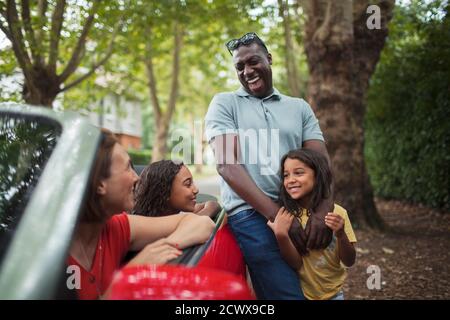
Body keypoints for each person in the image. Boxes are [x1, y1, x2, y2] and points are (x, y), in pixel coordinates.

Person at [204, 32, 334, 299]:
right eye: (240, 66)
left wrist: (322, 210)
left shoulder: (298, 107)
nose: (247, 71)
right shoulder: (224, 103)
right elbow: (227, 165)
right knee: (289, 295)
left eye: (253, 62)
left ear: (269, 59)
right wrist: (278, 216)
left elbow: (321, 163)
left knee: (321, 289)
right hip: (251, 215)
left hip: (303, 209)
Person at [67, 129, 214, 300]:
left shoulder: (116, 226)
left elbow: (203, 224)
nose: (136, 177)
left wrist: (162, 248)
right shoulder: (50, 255)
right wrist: (134, 270)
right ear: (100, 183)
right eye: (128, 167)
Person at [133, 160, 247, 279]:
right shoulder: (148, 229)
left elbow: (213, 205)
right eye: (188, 184)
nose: (196, 189)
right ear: (164, 191)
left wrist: (198, 215)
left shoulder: (171, 215)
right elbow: (207, 211)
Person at [267, 148, 356, 300]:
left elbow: (349, 261)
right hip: (299, 295)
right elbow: (296, 264)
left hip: (334, 294)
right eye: (286, 175)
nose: (291, 180)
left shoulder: (338, 213)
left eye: (299, 172)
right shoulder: (287, 216)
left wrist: (341, 235)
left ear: (317, 176)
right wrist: (281, 235)